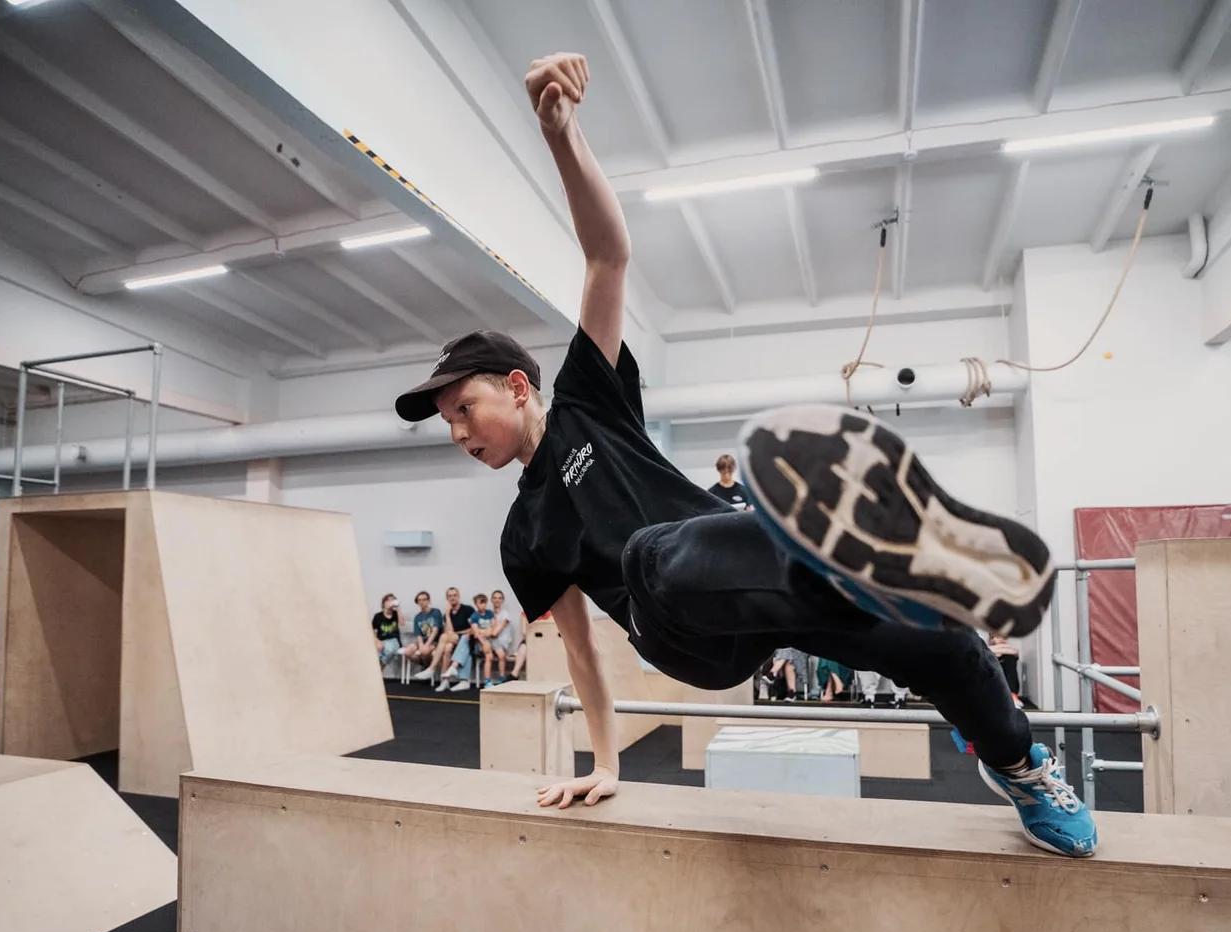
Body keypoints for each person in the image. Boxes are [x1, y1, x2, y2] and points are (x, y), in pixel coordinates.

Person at [391, 52, 1088, 857]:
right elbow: (580, 651)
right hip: (681, 629)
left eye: (464, 409)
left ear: (518, 388)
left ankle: (1018, 761)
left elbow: (608, 257)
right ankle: (833, 539)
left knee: (942, 643)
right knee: (660, 554)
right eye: (446, 423)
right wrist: (605, 764)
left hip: (756, 587)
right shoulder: (523, 538)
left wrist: (562, 136)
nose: (459, 433)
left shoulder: (588, 398)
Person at [412, 587, 476, 692]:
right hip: (453, 641)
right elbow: (449, 632)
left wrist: (457, 633)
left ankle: (431, 669)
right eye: (450, 596)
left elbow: (473, 629)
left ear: (458, 596)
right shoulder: (447, 614)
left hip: (467, 640)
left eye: (454, 595)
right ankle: (444, 681)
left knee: (443, 637)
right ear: (447, 598)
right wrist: (448, 615)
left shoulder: (468, 609)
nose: (452, 598)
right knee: (447, 647)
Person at [484, 590, 518, 685]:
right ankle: (487, 681)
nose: (497, 600)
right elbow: (484, 630)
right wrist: (486, 632)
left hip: (502, 643)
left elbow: (495, 633)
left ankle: (502, 679)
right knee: (488, 654)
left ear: (502, 600)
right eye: (495, 598)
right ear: (491, 600)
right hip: (490, 642)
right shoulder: (488, 614)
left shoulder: (505, 615)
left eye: (499, 598)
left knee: (501, 655)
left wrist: (488, 632)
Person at [404, 590, 444, 673]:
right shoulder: (417, 617)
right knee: (407, 652)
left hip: (435, 641)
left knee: (425, 651)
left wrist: (426, 645)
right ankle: (424, 664)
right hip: (423, 640)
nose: (422, 602)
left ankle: (426, 667)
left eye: (424, 599)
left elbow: (435, 630)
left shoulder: (436, 612)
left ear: (428, 601)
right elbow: (418, 635)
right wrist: (421, 645)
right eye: (419, 600)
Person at [370, 594, 405, 670]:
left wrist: (398, 608)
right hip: (382, 641)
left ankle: (379, 667)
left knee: (389, 648)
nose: (390, 602)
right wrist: (377, 641)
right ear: (383, 603)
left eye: (392, 600)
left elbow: (402, 624)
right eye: (388, 600)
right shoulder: (377, 616)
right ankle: (378, 669)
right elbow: (372, 631)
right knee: (376, 651)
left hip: (394, 641)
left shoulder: (396, 614)